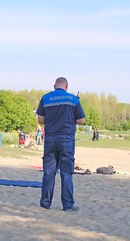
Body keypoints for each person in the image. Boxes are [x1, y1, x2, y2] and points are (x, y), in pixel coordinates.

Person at [36, 77, 85, 212]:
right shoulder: (73, 99)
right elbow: (81, 120)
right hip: (67, 140)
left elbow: (40, 119)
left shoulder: (46, 98)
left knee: (48, 172)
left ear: (54, 86)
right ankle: (68, 204)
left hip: (50, 139)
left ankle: (45, 203)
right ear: (67, 86)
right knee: (66, 172)